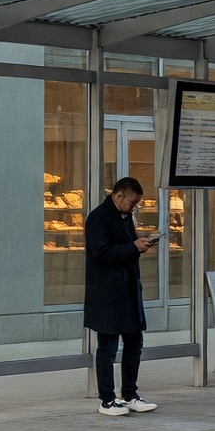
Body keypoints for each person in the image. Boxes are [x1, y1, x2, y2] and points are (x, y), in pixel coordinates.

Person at [84, 177, 157, 416]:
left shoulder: (124, 217)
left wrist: (140, 245)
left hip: (128, 289)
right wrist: (133, 247)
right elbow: (101, 253)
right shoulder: (98, 218)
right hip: (107, 292)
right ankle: (107, 399)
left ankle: (130, 394)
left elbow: (125, 249)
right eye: (133, 202)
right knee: (107, 346)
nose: (134, 206)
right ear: (118, 196)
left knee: (135, 342)